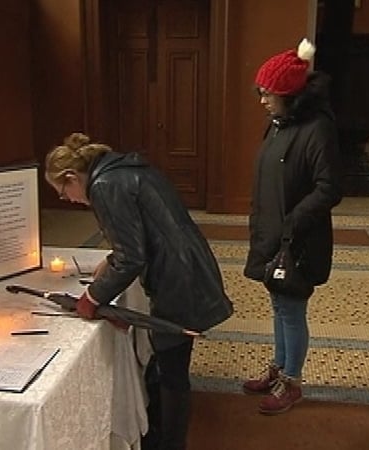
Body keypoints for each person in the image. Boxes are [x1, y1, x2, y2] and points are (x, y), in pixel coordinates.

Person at [44, 133, 234, 450]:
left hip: (177, 280)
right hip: (187, 267)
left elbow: (132, 257)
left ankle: (170, 444)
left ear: (71, 177)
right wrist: (110, 259)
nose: (70, 200)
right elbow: (146, 228)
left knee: (173, 369)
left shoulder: (104, 186)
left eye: (64, 193)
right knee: (167, 358)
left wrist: (91, 299)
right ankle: (158, 428)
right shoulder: (124, 168)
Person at [241, 38, 343, 415]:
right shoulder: (278, 124)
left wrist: (294, 220)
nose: (262, 101)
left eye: (268, 94)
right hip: (272, 234)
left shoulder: (317, 129)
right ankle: (279, 369)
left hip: (299, 240)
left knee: (291, 309)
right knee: (279, 305)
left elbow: (330, 187)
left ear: (289, 94)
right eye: (261, 93)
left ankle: (292, 381)